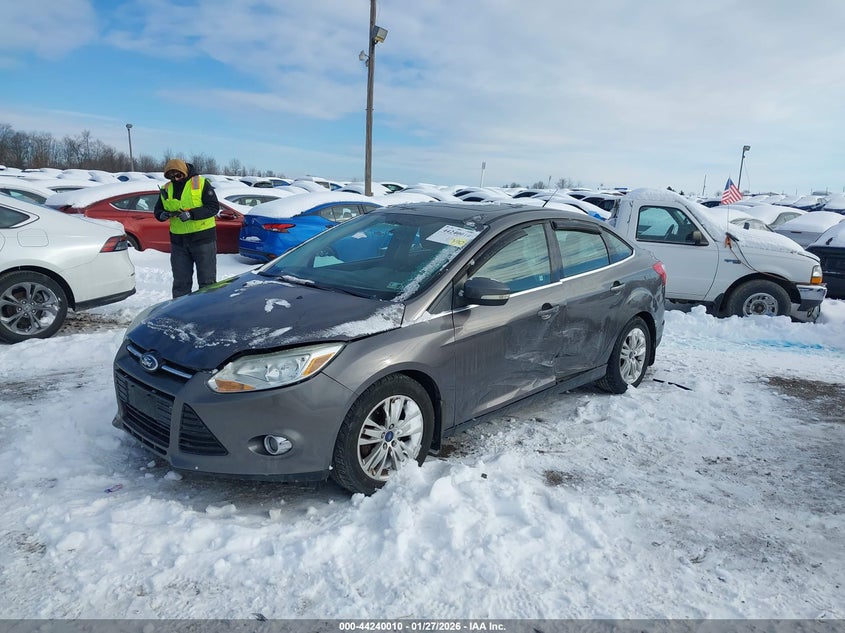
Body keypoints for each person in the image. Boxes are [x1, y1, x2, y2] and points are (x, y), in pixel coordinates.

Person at [154, 158, 220, 298]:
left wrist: (191, 214)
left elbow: (213, 207)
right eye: (171, 176)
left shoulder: (201, 183)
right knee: (180, 283)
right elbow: (157, 210)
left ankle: (206, 313)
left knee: (207, 282)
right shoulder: (166, 188)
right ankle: (180, 312)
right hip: (179, 243)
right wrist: (162, 215)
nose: (176, 179)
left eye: (178, 175)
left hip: (203, 240)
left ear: (184, 172)